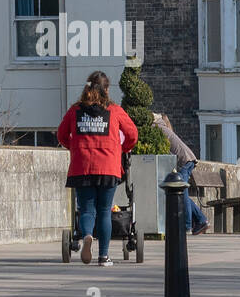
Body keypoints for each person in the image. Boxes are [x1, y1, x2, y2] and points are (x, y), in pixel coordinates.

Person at [56, 71, 138, 267]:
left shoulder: (75, 110)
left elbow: (60, 135)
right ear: (107, 89)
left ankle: (87, 236)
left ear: (87, 87)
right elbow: (132, 134)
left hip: (82, 165)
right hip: (108, 165)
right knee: (104, 211)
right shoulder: (115, 110)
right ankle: (103, 256)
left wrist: (75, 147)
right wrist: (121, 149)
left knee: (86, 209)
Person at [154, 111, 208, 236]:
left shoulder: (156, 128)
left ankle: (186, 226)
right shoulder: (163, 127)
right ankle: (201, 220)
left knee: (182, 193)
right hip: (187, 160)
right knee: (180, 193)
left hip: (184, 161)